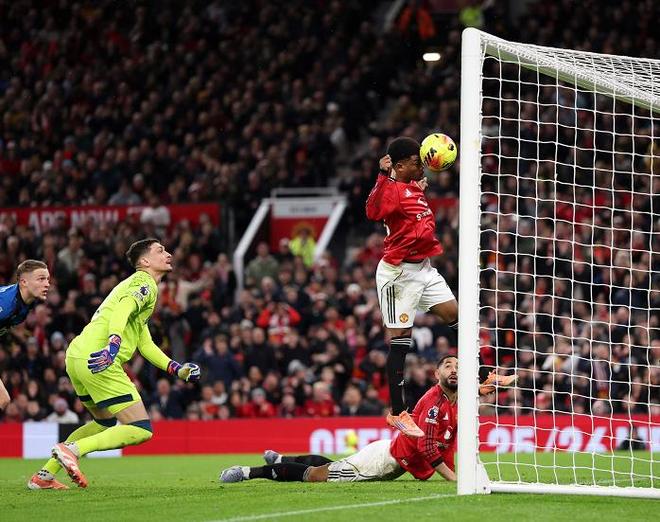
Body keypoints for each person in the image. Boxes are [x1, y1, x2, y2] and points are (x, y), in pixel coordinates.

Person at [28, 238, 200, 490]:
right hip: (100, 358)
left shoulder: (133, 287)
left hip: (77, 356)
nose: (168, 254)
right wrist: (114, 344)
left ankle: (44, 476)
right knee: (141, 428)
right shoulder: (144, 283)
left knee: (104, 422)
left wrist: (176, 368)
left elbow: (145, 343)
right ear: (145, 261)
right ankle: (72, 450)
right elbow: (122, 310)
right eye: (160, 250)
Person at [219, 356, 515, 484]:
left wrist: (490, 385)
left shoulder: (456, 396)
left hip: (389, 453)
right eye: (448, 366)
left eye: (458, 366)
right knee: (316, 476)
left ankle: (280, 458)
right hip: (381, 462)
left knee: (334, 464)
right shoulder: (434, 403)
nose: (454, 370)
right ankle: (248, 472)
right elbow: (426, 446)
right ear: (436, 374)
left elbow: (472, 390)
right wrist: (454, 479)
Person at [365, 137, 459, 437]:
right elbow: (373, 211)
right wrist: (383, 176)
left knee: (458, 317)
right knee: (400, 340)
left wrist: (415, 188)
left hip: (424, 269)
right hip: (399, 274)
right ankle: (397, 412)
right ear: (400, 165)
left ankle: (482, 376)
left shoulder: (411, 187)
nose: (423, 166)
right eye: (417, 162)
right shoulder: (390, 188)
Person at [0, 260, 51, 410]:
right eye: (41, 279)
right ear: (23, 282)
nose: (47, 284)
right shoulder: (6, 305)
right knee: (3, 399)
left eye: (48, 279)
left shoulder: (28, 302)